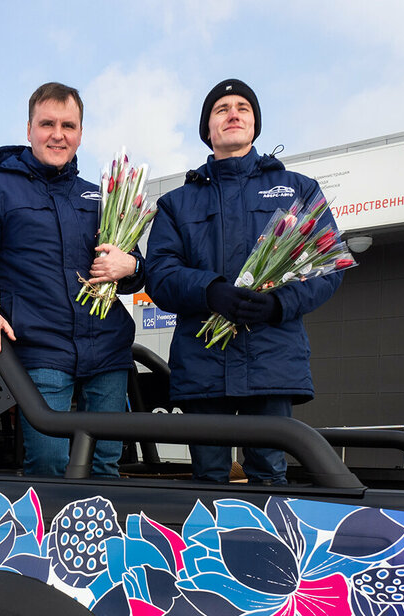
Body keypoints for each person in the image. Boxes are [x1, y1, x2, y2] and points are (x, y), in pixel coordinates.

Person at [0, 82, 143, 478]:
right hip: (41, 352)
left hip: (108, 353)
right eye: (47, 124)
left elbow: (135, 273)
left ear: (80, 133)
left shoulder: (99, 198)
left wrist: (131, 266)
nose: (58, 134)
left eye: (68, 125)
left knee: (106, 466)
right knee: (48, 465)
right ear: (29, 129)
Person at [145, 79, 343, 484]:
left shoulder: (298, 190)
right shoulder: (177, 203)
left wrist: (279, 303)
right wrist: (210, 291)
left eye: (243, 108)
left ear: (255, 125)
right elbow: (160, 274)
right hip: (203, 362)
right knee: (208, 478)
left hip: (271, 361)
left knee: (270, 476)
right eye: (221, 109)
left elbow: (328, 266)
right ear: (208, 129)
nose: (232, 114)